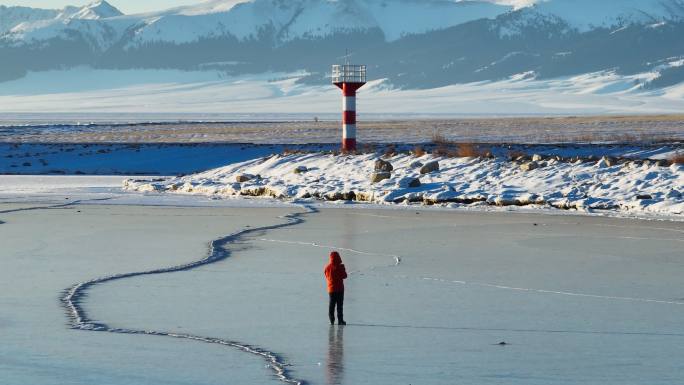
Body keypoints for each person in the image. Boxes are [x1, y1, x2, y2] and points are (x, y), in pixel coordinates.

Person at [324, 251, 348, 325]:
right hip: (340, 289)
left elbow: (326, 275)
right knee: (339, 306)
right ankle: (340, 320)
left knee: (331, 305)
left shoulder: (327, 267)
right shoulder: (340, 267)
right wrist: (343, 269)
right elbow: (345, 276)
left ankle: (332, 320)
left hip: (331, 289)